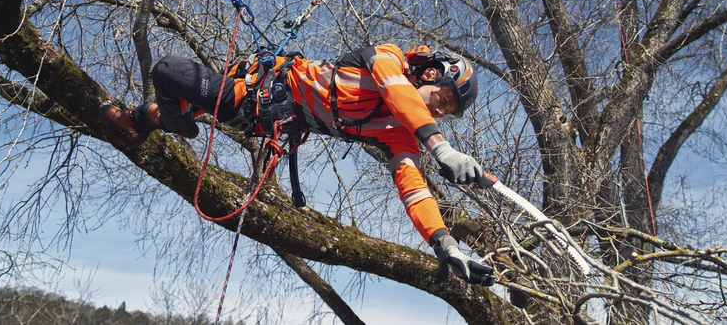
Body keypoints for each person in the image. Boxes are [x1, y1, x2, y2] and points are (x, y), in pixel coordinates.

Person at [99, 44, 495, 286]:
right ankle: (152, 121)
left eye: (449, 112)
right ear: (432, 73)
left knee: (170, 76)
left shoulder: (400, 133)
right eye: (446, 99)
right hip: (254, 93)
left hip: (259, 116)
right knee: (169, 71)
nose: (442, 111)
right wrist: (440, 146)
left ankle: (168, 119)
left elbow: (413, 187)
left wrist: (444, 243)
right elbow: (396, 89)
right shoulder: (388, 59)